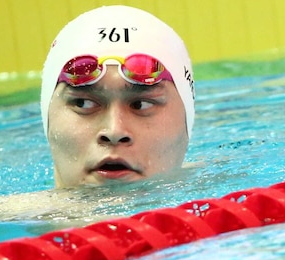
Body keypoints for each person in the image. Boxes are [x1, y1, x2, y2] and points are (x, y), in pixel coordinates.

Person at [40, 5, 195, 188]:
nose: (114, 132)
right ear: (47, 119)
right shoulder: (6, 217)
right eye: (83, 103)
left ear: (188, 121)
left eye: (141, 104)